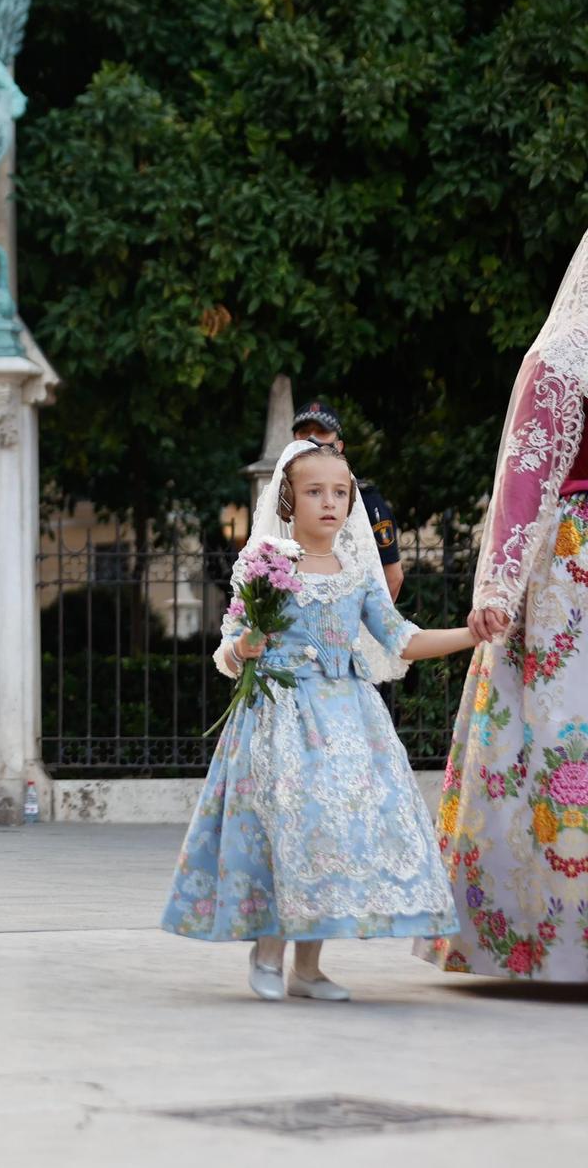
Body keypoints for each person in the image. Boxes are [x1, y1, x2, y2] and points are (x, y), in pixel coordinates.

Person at [163, 440, 469, 1000]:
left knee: (335, 833)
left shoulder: (358, 574)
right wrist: (244, 648)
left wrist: (473, 635)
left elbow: (401, 638)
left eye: (340, 492)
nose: (329, 502)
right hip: (281, 714)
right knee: (290, 826)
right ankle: (269, 950)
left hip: (350, 720)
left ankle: (308, 968)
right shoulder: (268, 565)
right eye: (314, 492)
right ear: (289, 499)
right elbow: (230, 643)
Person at [420, 230, 588, 980]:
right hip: (570, 577)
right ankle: (541, 936)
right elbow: (524, 479)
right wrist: (498, 587)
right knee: (556, 742)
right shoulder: (562, 357)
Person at [292, 400, 404, 599]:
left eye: (321, 432)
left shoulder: (365, 498)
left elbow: (392, 576)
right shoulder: (280, 498)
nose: (312, 439)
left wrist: (365, 625)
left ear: (339, 445)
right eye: (304, 432)